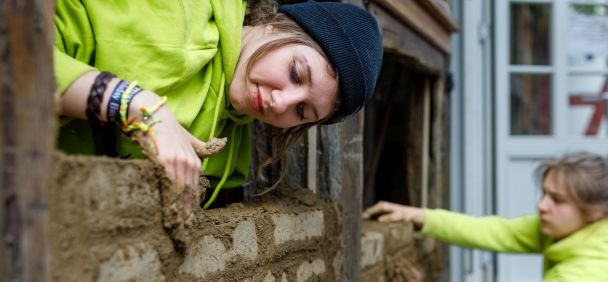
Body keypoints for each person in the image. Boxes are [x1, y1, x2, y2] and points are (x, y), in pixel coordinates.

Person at [54, 0, 383, 211]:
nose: (279, 103)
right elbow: (16, 50)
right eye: (296, 73)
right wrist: (134, 103)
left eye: (301, 112)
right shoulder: (174, 11)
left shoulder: (232, 143)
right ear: (276, 25)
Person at [363, 150, 608, 282]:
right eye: (544, 193)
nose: (541, 205)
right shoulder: (606, 232)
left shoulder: (583, 276)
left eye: (557, 199)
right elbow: (496, 231)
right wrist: (420, 216)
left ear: (593, 213)